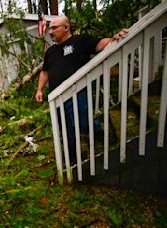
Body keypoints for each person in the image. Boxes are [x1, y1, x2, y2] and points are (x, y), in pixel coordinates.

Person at [35, 15, 128, 161]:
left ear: (66, 28)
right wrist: (39, 90)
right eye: (49, 28)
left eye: (54, 27)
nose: (50, 31)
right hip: (57, 98)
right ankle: (73, 158)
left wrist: (113, 39)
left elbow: (99, 44)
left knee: (83, 123)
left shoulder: (80, 41)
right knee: (66, 131)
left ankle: (102, 135)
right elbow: (45, 72)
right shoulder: (50, 52)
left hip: (77, 93)